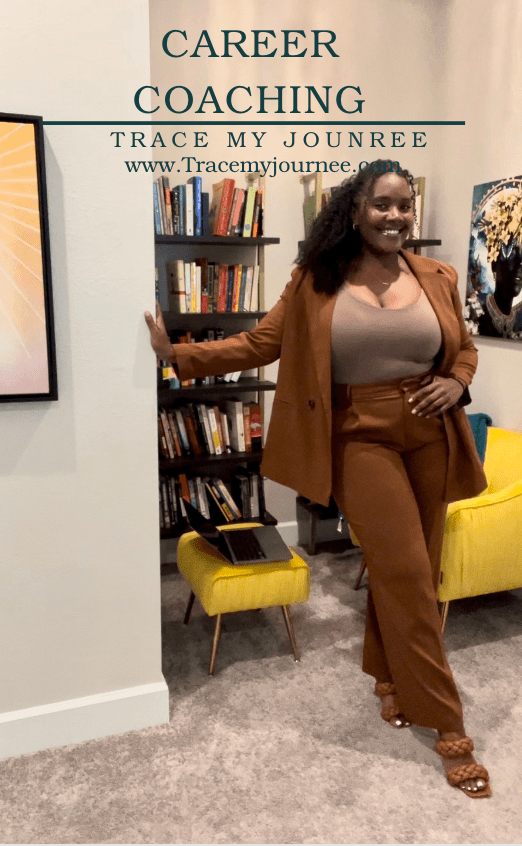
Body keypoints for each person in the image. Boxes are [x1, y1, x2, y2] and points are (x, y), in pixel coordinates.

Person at [145, 160, 491, 798]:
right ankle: (448, 723)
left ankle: (388, 677)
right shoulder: (315, 279)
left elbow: (463, 349)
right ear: (355, 210)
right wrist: (180, 356)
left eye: (404, 205)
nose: (394, 216)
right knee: (407, 573)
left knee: (412, 569)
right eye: (381, 204)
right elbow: (260, 344)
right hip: (359, 435)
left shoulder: (436, 276)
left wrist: (457, 382)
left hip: (431, 433)